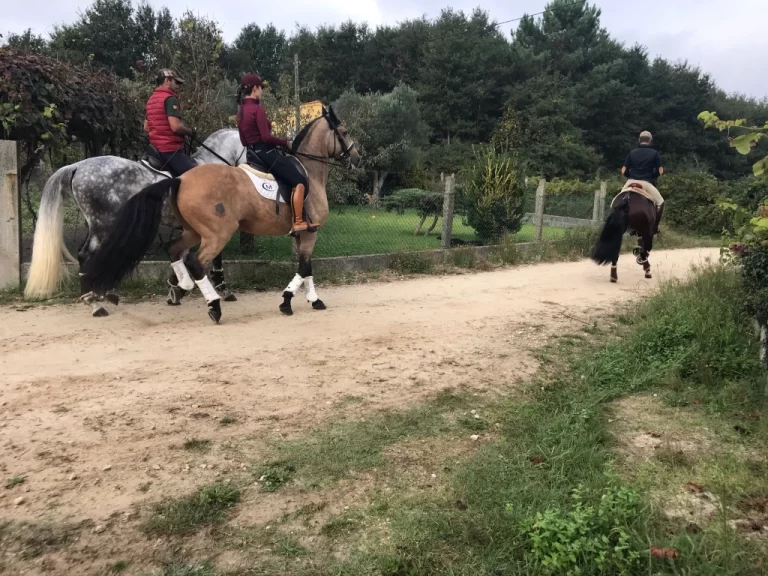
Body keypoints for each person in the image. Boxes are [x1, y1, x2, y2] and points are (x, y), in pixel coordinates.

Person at [236, 73, 311, 235]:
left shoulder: (241, 111)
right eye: (260, 88)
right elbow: (266, 137)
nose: (262, 92)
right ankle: (298, 222)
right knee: (299, 180)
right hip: (266, 153)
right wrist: (285, 142)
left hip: (252, 155)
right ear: (254, 89)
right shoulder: (257, 109)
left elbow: (243, 141)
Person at [144, 69, 198, 177]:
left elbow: (146, 128)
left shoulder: (151, 99)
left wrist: (160, 134)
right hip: (170, 151)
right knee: (198, 176)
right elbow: (176, 127)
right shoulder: (170, 99)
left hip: (155, 151)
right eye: (175, 82)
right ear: (167, 81)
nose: (177, 86)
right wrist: (190, 131)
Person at [621, 130, 665, 234]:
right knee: (660, 202)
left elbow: (623, 170)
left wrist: (630, 176)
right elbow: (660, 171)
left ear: (639, 140)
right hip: (646, 182)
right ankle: (655, 227)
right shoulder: (655, 153)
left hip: (630, 181)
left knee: (617, 202)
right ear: (650, 140)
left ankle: (623, 224)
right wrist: (652, 177)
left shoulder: (632, 153)